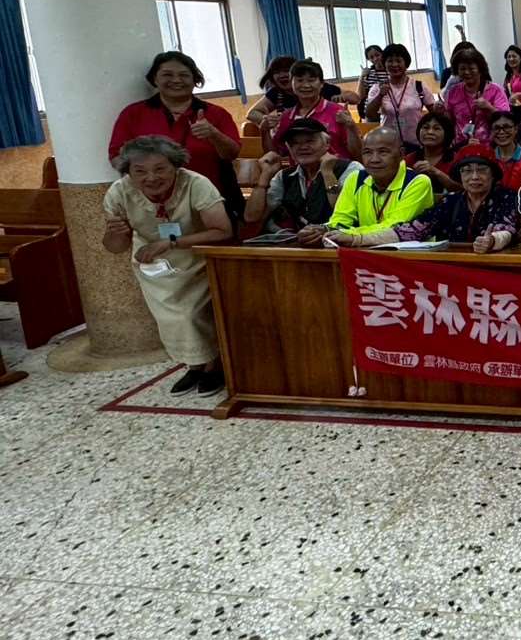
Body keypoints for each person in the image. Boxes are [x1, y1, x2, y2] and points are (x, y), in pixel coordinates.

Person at [102, 136, 232, 394]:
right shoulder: (118, 192)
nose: (151, 178)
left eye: (160, 169)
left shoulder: (196, 183)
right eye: (140, 171)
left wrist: (171, 243)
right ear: (128, 172)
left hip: (197, 257)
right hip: (154, 264)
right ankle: (195, 366)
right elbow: (115, 247)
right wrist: (115, 232)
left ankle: (213, 365)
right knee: (170, 319)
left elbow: (222, 231)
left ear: (176, 166)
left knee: (191, 314)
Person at [110, 51, 244, 220]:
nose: (176, 80)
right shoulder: (133, 113)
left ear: (195, 80)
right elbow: (116, 156)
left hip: (209, 201)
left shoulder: (216, 113)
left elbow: (232, 154)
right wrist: (145, 180)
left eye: (184, 75)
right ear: (155, 79)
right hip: (150, 205)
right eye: (167, 75)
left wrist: (214, 134)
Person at [350, 143, 519, 251]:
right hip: (453, 269)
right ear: (460, 176)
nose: (474, 177)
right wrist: (358, 239)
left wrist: (492, 241)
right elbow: (411, 231)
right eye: (467, 171)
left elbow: (505, 229)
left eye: (482, 170)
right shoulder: (450, 201)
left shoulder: (506, 197)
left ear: (493, 175)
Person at [305, 127, 434, 245]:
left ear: (401, 154)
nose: (374, 159)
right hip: (365, 253)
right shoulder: (355, 178)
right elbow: (341, 220)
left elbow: (395, 228)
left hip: (411, 256)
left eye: (383, 152)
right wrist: (323, 230)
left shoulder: (418, 182)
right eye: (367, 152)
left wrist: (349, 235)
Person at [242, 119, 362, 236]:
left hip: (340, 240)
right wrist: (264, 176)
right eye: (294, 143)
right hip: (294, 242)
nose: (303, 147)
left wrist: (328, 173)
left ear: (327, 143)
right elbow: (251, 218)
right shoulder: (284, 176)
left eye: (310, 141)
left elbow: (344, 213)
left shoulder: (351, 169)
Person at [270, 59, 361, 160]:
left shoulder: (338, 112)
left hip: (336, 167)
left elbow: (357, 154)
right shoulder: (287, 117)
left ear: (322, 84)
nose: (306, 85)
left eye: (311, 80)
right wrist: (265, 130)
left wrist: (351, 126)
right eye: (300, 80)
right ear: (291, 84)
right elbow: (276, 153)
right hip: (301, 169)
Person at [366, 43, 436, 148]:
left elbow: (434, 113)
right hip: (388, 145)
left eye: (398, 61)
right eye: (390, 61)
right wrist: (380, 95)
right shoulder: (377, 88)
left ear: (406, 63)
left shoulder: (419, 86)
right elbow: (369, 114)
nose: (394, 65)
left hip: (417, 143)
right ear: (384, 64)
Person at [247, 56, 344, 131]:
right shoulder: (276, 93)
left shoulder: (321, 87)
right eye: (277, 72)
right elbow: (252, 113)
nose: (282, 75)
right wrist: (271, 122)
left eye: (286, 71)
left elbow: (351, 97)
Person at [440, 46, 508, 145]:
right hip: (462, 147)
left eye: (471, 69)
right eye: (462, 69)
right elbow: (449, 122)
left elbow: (506, 121)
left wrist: (488, 107)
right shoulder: (453, 92)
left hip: (490, 146)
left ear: (480, 69)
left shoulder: (496, 90)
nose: (467, 72)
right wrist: (441, 112)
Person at [487, 109, 521, 190]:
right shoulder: (488, 158)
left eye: (506, 127)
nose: (501, 132)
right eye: (496, 128)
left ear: (516, 129)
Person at [409, 109, 461, 193]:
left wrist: (436, 172)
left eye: (436, 128)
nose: (430, 132)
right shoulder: (409, 159)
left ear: (447, 133)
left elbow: (462, 190)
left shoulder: (456, 160)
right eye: (426, 127)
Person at [357, 45, 389, 121]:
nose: (375, 58)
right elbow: (361, 96)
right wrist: (361, 77)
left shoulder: (391, 70)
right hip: (371, 112)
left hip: (389, 110)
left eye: (377, 55)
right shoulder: (368, 73)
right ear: (368, 59)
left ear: (382, 54)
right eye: (371, 57)